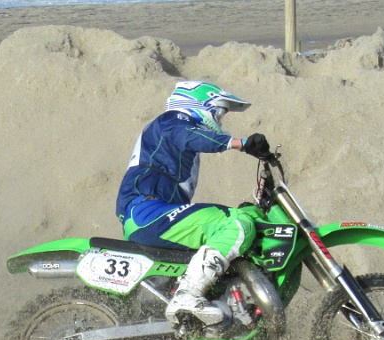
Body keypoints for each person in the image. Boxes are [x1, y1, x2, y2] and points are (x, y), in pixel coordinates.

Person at [116, 80, 271, 325]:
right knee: (236, 224)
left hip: (155, 215)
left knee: (242, 218)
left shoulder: (176, 140)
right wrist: (238, 143)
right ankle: (188, 295)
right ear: (199, 105)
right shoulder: (171, 122)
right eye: (219, 112)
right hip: (146, 212)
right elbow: (187, 135)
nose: (220, 120)